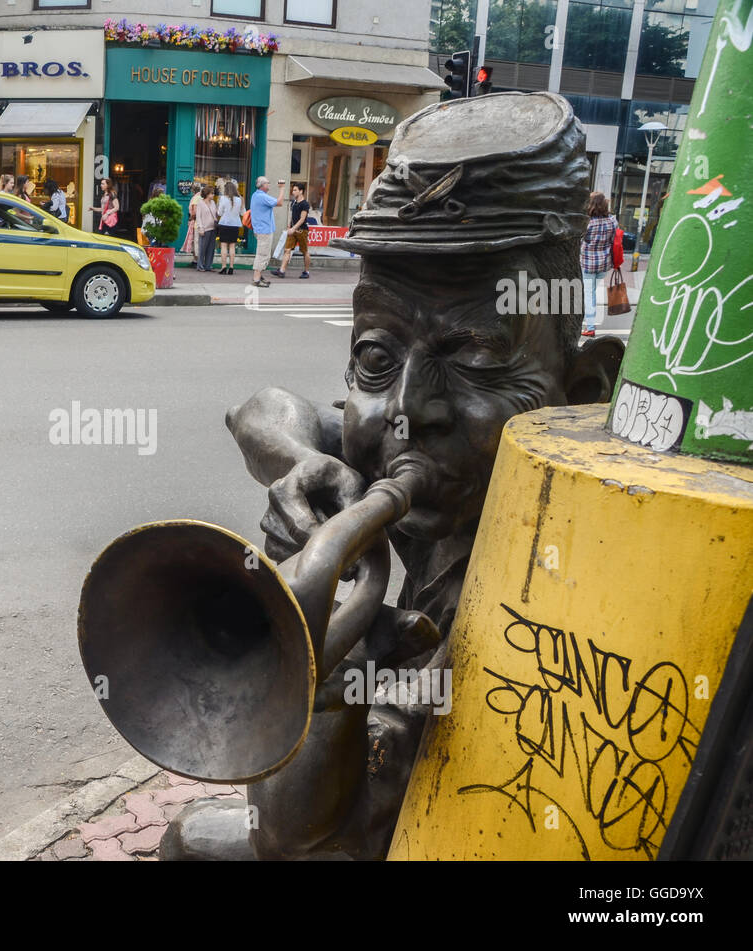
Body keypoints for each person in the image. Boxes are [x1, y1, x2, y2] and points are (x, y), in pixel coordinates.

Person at [161, 91, 624, 863]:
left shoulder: (568, 564)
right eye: (377, 355)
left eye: (476, 352)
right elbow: (259, 410)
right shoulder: (414, 454)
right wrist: (305, 464)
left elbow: (308, 836)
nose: (408, 411)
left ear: (582, 393)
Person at [580, 191, 617, 337]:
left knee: (588, 295)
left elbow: (580, 240)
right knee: (590, 293)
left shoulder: (587, 223)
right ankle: (587, 319)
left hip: (588, 263)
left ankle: (590, 327)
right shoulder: (612, 221)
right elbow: (614, 240)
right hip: (603, 264)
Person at [249, 176, 288, 287]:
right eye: (268, 183)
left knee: (263, 253)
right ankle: (256, 279)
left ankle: (259, 276)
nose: (269, 185)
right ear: (263, 185)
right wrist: (282, 188)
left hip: (260, 229)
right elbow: (280, 202)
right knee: (262, 254)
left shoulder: (256, 195)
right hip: (264, 230)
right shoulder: (262, 196)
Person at [273, 183, 312, 279]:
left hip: (302, 230)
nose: (293, 192)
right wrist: (289, 225)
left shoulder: (305, 204)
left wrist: (293, 228)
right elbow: (292, 215)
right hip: (292, 230)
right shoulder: (293, 202)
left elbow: (302, 219)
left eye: (295, 190)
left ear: (301, 191)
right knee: (287, 250)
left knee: (305, 251)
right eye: (293, 190)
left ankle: (306, 271)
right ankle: (282, 271)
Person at [215, 180, 243, 275]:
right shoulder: (239, 199)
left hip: (224, 224)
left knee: (223, 246)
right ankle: (231, 267)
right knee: (232, 247)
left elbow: (219, 213)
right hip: (235, 225)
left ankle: (223, 267)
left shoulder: (223, 198)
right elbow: (243, 213)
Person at [195, 185, 218, 272]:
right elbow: (198, 217)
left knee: (211, 248)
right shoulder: (200, 203)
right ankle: (200, 266)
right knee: (202, 248)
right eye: (212, 193)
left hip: (213, 228)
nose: (213, 195)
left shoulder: (213, 203)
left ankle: (208, 265)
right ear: (207, 194)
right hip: (204, 228)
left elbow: (216, 214)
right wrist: (200, 227)